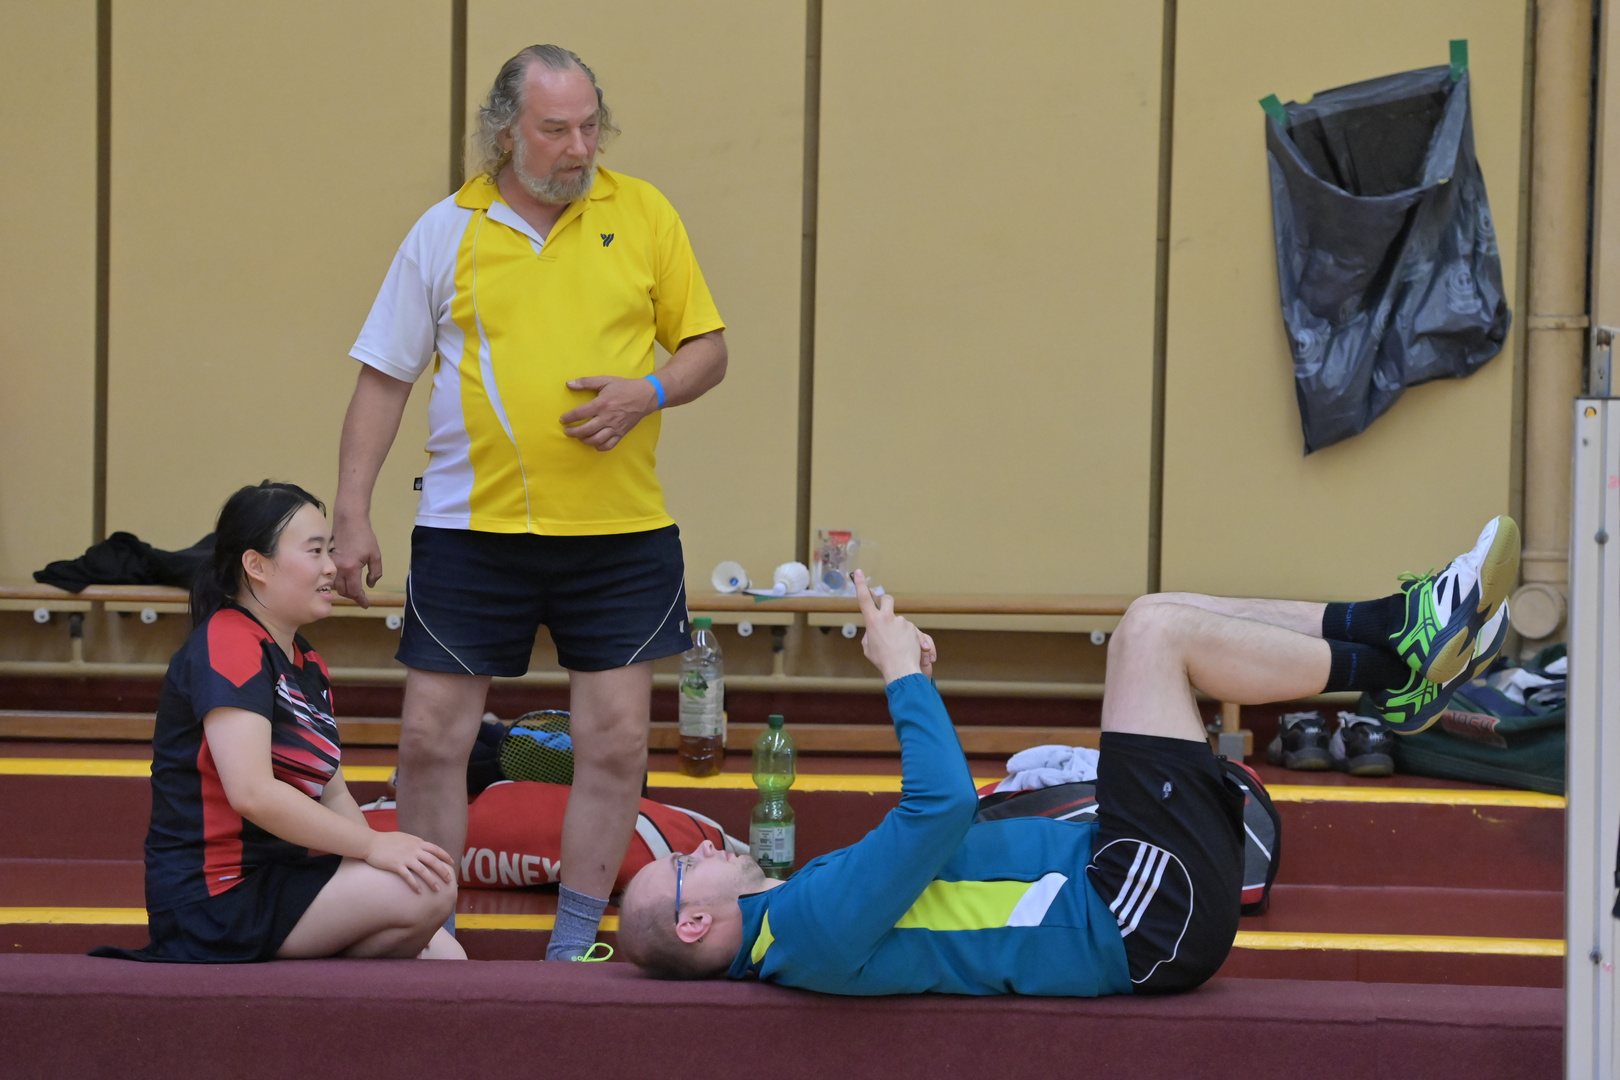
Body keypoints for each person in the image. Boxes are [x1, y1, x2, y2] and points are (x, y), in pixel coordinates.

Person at [617, 518, 1520, 994]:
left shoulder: (801, 916)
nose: (695, 847)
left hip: (1123, 878)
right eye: (683, 871)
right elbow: (937, 810)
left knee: (1154, 615)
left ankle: (1397, 634)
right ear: (697, 925)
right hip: (1137, 917)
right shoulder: (805, 931)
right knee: (1157, 633)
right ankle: (1398, 669)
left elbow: (954, 830)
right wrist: (898, 677)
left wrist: (920, 681)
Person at [334, 45, 727, 959]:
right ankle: (428, 929)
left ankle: (576, 942)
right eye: (556, 129)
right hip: (472, 533)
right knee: (432, 736)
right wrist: (351, 512)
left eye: (591, 126)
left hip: (621, 533)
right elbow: (383, 380)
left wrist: (650, 392)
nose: (578, 146)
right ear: (505, 131)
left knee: (619, 740)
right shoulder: (446, 231)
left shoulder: (644, 214)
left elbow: (707, 348)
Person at [94, 482, 462, 963]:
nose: (331, 567)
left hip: (278, 882)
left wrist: (372, 861)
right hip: (215, 900)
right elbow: (253, 793)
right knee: (428, 893)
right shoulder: (228, 642)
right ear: (256, 566)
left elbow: (332, 794)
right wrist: (374, 847)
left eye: (329, 551)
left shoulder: (307, 661)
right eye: (314, 552)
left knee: (445, 951)